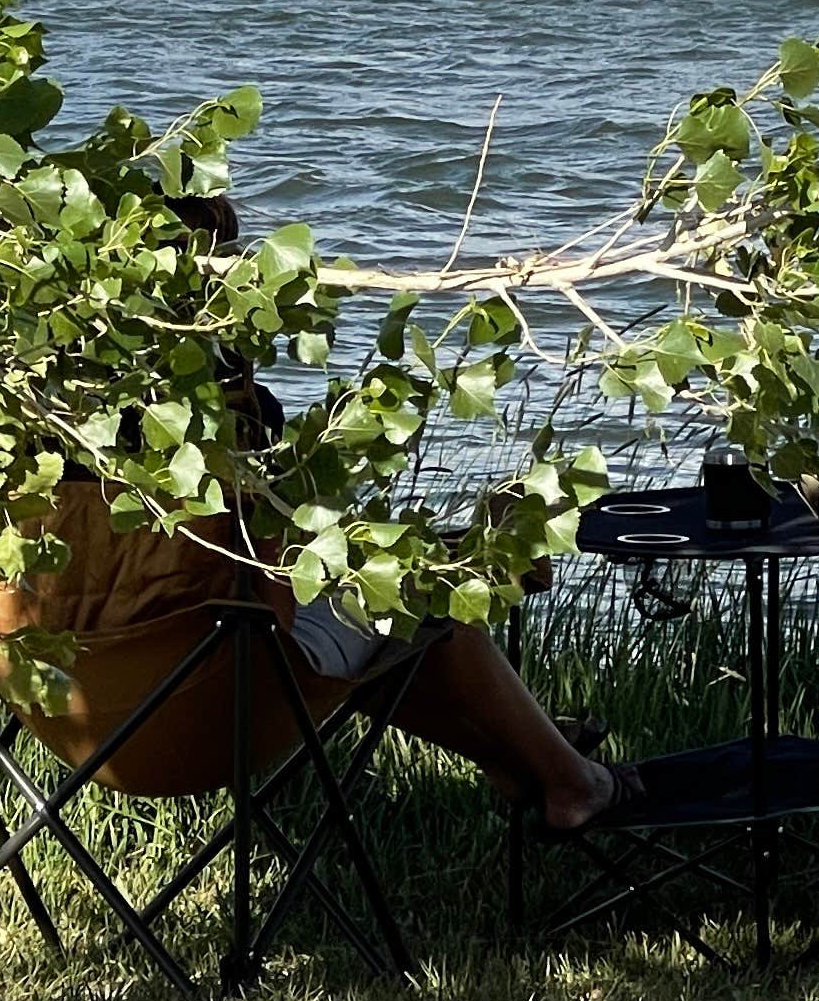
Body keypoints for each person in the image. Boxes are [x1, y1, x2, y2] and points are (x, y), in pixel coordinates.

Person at [179, 193, 639, 834]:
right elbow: (268, 569)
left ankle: (517, 753)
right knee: (430, 598)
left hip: (103, 699)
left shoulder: (41, 444)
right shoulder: (205, 439)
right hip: (224, 688)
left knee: (401, 594)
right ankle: (572, 780)